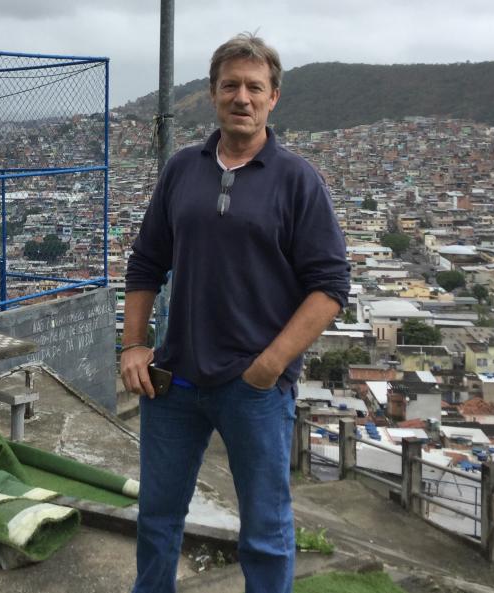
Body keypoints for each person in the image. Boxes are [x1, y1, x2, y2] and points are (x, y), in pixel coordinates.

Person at [120, 33, 350, 593]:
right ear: (213, 94)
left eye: (254, 87)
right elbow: (146, 263)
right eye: (230, 86)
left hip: (254, 390)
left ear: (274, 97)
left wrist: (269, 366)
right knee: (156, 520)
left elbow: (330, 287)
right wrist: (132, 345)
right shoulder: (181, 170)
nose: (241, 97)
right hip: (173, 382)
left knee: (266, 532)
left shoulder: (297, 180)